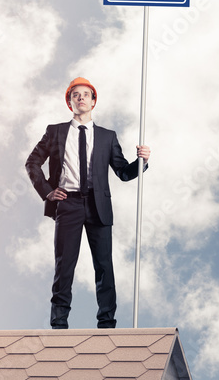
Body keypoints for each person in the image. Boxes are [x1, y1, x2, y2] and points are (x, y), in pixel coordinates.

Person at [25, 77, 150, 329]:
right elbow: (32, 162)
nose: (80, 97)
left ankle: (107, 323)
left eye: (85, 94)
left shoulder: (107, 136)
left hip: (98, 205)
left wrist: (142, 162)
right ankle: (59, 323)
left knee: (104, 266)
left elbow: (123, 172)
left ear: (94, 101)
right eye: (75, 95)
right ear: (69, 102)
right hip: (67, 204)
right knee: (64, 264)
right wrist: (48, 192)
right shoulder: (55, 131)